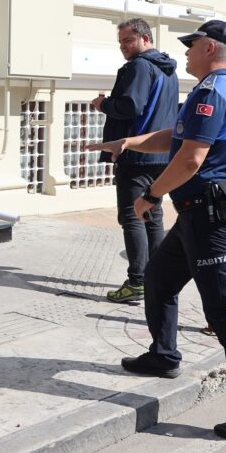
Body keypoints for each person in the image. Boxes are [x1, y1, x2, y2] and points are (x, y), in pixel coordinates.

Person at [87, 20, 226, 443]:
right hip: (197, 216)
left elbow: (191, 159)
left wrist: (152, 196)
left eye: (192, 46)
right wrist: (130, 143)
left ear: (210, 49)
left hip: (210, 220)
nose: (187, 53)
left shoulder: (212, 93)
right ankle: (163, 355)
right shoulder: (207, 91)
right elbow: (175, 137)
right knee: (159, 278)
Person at [92, 18, 180, 303]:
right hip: (161, 154)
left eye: (128, 41)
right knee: (152, 216)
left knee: (132, 216)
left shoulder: (140, 66)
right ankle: (157, 276)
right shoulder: (167, 69)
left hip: (137, 154)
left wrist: (103, 104)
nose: (123, 48)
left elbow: (131, 105)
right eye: (120, 42)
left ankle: (138, 282)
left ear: (145, 38)